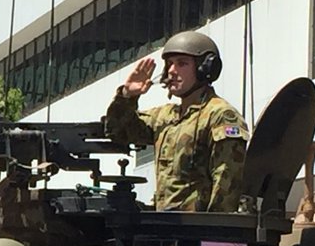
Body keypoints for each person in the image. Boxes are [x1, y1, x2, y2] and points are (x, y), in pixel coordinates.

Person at [104, 31, 249, 212]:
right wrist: (127, 96)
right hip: (166, 223)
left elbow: (226, 185)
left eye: (182, 63)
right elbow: (118, 131)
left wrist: (213, 227)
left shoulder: (219, 115)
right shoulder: (165, 117)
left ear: (205, 68)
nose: (172, 71)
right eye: (169, 64)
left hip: (197, 225)